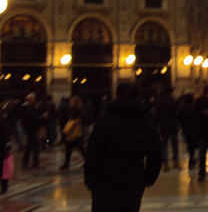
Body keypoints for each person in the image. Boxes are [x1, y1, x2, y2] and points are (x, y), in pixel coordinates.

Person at [84, 81, 163, 212]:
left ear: (116, 96)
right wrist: (148, 178)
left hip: (106, 181)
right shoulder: (147, 123)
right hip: (133, 180)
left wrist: (91, 180)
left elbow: (93, 153)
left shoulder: (104, 121)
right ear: (138, 97)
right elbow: (156, 155)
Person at [154, 87, 181, 170]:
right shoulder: (173, 101)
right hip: (172, 125)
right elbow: (178, 112)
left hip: (163, 126)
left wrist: (157, 124)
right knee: (174, 145)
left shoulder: (160, 102)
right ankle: (175, 162)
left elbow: (156, 115)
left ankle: (165, 164)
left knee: (164, 146)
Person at [20, 93, 46, 170]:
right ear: (30, 100)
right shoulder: (28, 108)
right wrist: (42, 117)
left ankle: (26, 163)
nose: (35, 100)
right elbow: (33, 119)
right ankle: (35, 163)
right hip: (31, 130)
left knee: (29, 147)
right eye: (34, 99)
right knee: (35, 147)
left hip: (30, 130)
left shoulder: (27, 107)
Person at [59, 95, 86, 170]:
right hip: (71, 132)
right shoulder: (71, 109)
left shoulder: (77, 110)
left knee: (80, 148)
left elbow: (78, 120)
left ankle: (87, 161)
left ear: (75, 102)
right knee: (68, 148)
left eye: (72, 101)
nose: (70, 102)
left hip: (76, 132)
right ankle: (66, 163)